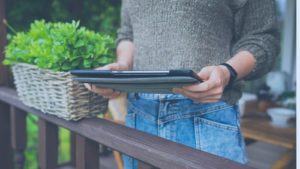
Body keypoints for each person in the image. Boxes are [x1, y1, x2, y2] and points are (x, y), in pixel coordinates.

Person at [85, 0, 279, 168]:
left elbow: (262, 37)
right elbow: (128, 34)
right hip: (140, 116)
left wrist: (227, 71)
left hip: (207, 117)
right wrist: (123, 66)